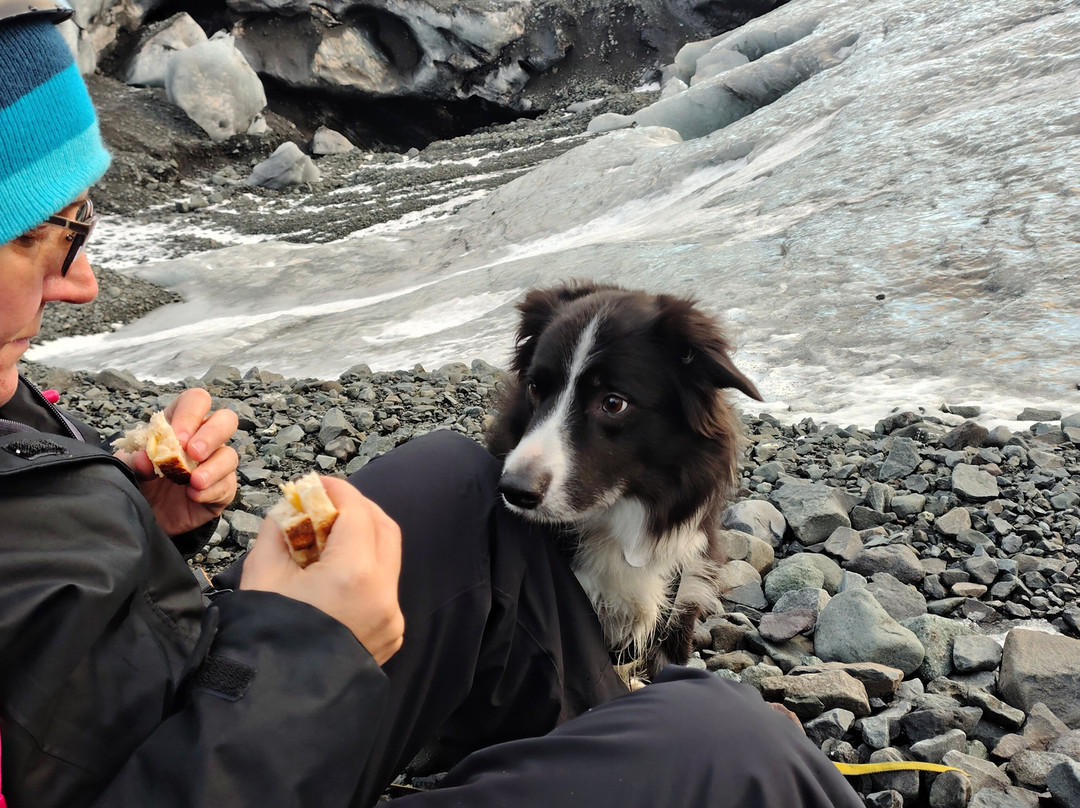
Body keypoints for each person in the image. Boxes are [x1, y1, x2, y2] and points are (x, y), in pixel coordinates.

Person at [0, 5, 866, 807]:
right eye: (49, 232)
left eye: (86, 226)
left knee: (458, 482)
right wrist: (300, 650)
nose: (85, 282)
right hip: (222, 752)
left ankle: (605, 730)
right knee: (733, 747)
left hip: (190, 701)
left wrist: (142, 524)